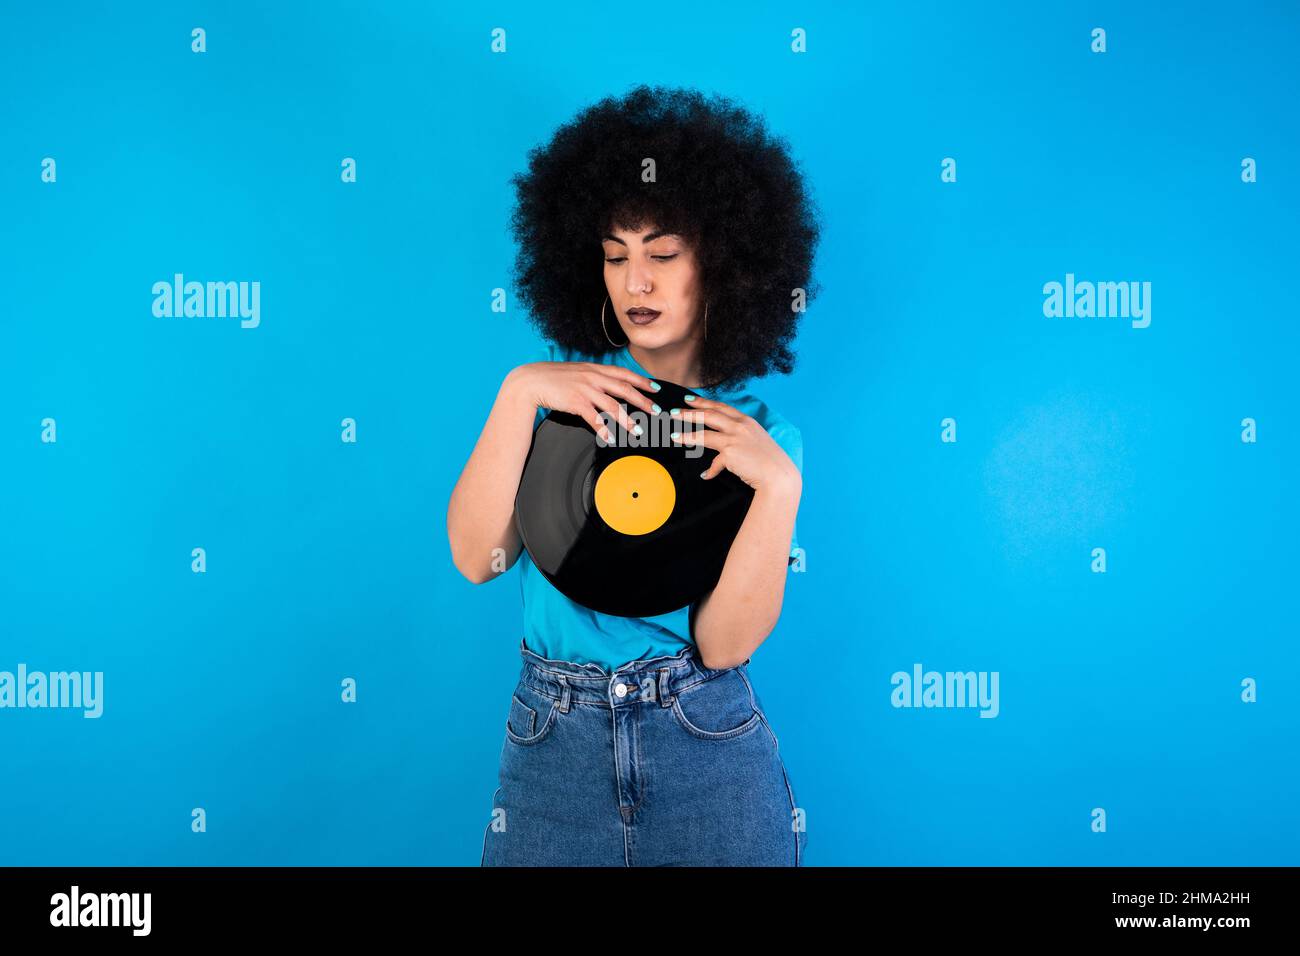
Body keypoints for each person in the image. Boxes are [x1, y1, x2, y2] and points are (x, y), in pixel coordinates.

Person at [446, 84, 820, 866]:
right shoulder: (560, 405)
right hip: (551, 743)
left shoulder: (763, 440)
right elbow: (476, 558)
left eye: (663, 254)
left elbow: (721, 645)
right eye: (616, 256)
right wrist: (519, 393)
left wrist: (780, 487)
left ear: (722, 263)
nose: (635, 282)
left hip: (705, 745)